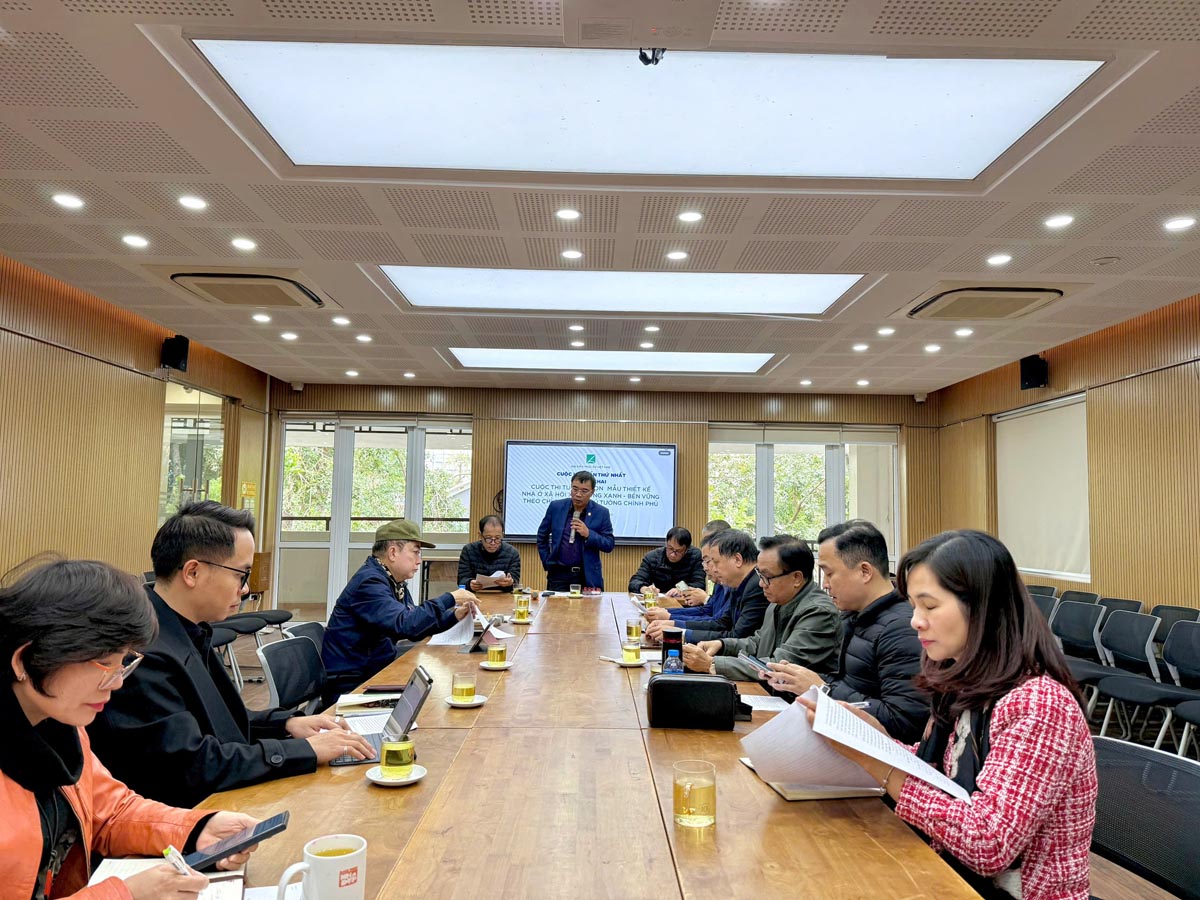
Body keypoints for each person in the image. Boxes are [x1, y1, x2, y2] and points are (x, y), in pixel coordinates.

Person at [798, 530, 1097, 900]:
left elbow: (987, 843)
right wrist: (873, 739)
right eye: (913, 606)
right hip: (949, 875)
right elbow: (942, 773)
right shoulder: (967, 679)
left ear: (983, 607)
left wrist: (877, 762)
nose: (915, 621)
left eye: (929, 606)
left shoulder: (1039, 704)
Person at [2, 556, 263, 899]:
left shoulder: (59, 724)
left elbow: (110, 813)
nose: (117, 683)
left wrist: (196, 829)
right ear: (26, 660)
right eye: (103, 664)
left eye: (123, 663)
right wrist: (126, 894)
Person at [90, 502, 376, 808]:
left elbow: (218, 723)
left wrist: (285, 725)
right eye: (241, 575)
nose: (246, 589)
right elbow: (194, 766)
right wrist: (306, 751)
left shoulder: (186, 629)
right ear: (193, 572)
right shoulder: (140, 654)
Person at [764, 520, 927, 743]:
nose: (825, 584)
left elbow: (904, 723)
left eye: (829, 573)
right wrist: (796, 679)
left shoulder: (901, 628)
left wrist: (822, 689)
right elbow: (848, 684)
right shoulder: (854, 616)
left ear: (864, 572)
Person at [323, 519, 480, 703]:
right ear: (392, 552)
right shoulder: (369, 582)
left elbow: (415, 625)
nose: (419, 560)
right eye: (415, 552)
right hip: (352, 686)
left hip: (375, 672)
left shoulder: (391, 580)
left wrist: (454, 615)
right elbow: (406, 624)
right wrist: (450, 598)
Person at [682, 540, 840, 678]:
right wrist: (722, 645)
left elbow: (779, 666)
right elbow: (758, 643)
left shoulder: (818, 613)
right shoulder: (778, 601)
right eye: (759, 574)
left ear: (796, 578)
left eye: (767, 577)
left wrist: (712, 663)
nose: (761, 583)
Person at [646, 530, 767, 644]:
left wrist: (680, 632)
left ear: (737, 560)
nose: (712, 569)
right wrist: (674, 624)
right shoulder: (739, 583)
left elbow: (737, 636)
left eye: (715, 562)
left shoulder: (756, 586)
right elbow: (722, 623)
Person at [536, 470, 614, 590]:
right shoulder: (556, 507)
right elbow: (542, 536)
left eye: (584, 491)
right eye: (575, 489)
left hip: (587, 577)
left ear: (592, 492)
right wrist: (547, 561)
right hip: (558, 575)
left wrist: (589, 534)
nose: (578, 494)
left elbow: (609, 544)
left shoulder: (601, 512)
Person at [661, 520, 729, 608]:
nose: (705, 568)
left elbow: (720, 614)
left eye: (709, 542)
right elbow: (710, 610)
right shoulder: (654, 556)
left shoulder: (733, 579)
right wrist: (668, 614)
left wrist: (705, 599)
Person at [627, 527, 705, 595]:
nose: (673, 554)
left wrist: (681, 589)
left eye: (678, 551)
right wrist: (644, 589)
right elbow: (634, 582)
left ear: (686, 550)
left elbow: (699, 584)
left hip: (686, 603)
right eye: (670, 548)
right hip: (659, 601)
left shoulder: (695, 556)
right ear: (666, 543)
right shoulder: (653, 557)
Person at [457, 515, 521, 592]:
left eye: (497, 538)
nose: (493, 543)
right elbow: (462, 580)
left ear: (502, 535)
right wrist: (469, 584)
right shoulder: (468, 550)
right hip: (475, 595)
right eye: (488, 538)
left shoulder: (512, 553)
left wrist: (510, 583)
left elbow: (515, 582)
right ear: (480, 535)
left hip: (502, 596)